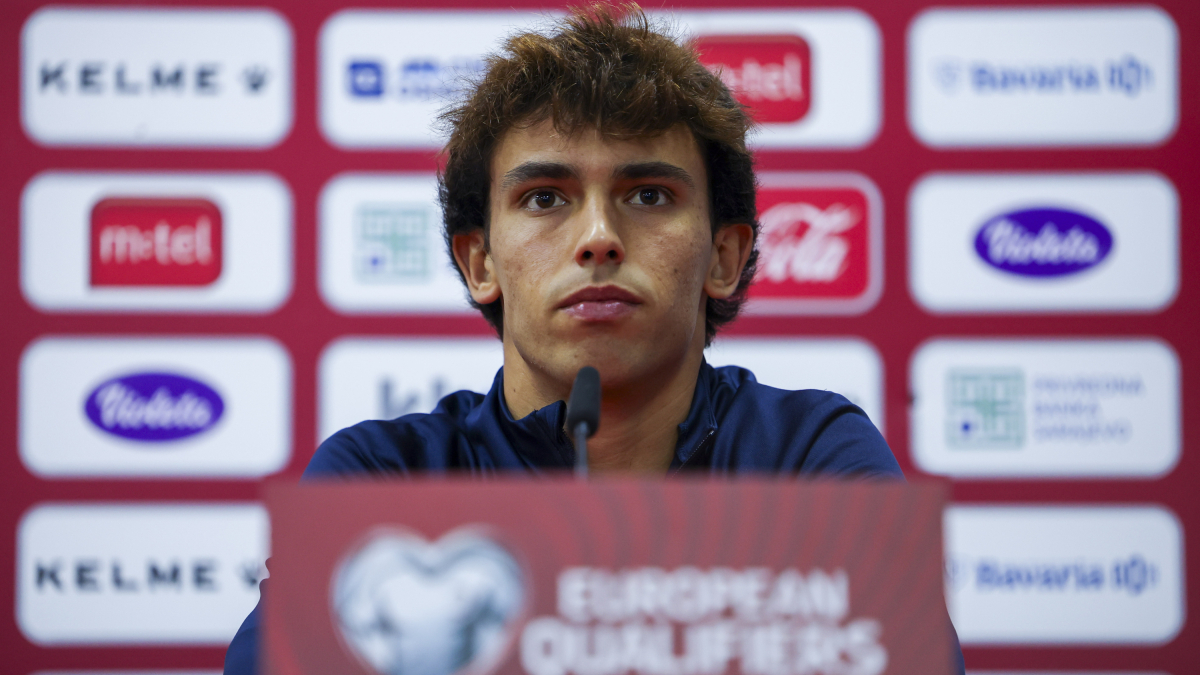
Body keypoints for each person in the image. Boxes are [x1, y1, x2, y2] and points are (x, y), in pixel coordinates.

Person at [225, 5, 963, 673]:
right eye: (545, 198)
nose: (600, 239)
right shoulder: (384, 477)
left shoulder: (809, 454)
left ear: (725, 258)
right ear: (480, 262)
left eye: (649, 195)